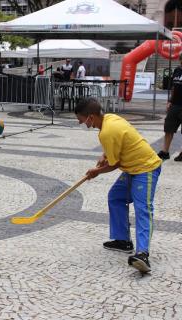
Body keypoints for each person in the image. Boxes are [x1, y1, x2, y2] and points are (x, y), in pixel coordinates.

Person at [75, 98, 162, 274]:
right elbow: (118, 143)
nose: (80, 122)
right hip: (132, 168)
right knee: (116, 197)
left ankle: (142, 254)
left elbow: (115, 164)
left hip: (146, 168)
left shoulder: (107, 131)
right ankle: (123, 241)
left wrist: (96, 171)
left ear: (91, 117)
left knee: (143, 208)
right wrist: (105, 154)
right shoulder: (110, 119)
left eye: (81, 119)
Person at [157, 53, 182, 161]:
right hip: (175, 104)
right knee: (168, 128)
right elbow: (174, 87)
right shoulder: (177, 70)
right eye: (181, 60)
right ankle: (165, 152)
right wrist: (169, 101)